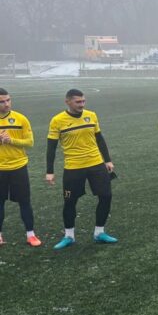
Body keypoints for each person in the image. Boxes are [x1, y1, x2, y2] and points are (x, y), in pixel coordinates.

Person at [46, 88, 117, 249]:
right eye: (78, 102)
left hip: (96, 163)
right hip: (73, 167)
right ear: (67, 102)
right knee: (70, 201)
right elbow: (51, 147)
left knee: (106, 196)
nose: (82, 104)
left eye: (83, 101)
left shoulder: (91, 115)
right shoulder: (57, 120)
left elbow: (99, 138)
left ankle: (99, 233)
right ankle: (69, 236)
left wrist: (107, 160)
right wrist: (50, 171)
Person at [0, 88, 41, 246]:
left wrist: (11, 140)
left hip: (19, 167)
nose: (6, 104)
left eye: (8, 100)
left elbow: (30, 143)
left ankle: (31, 234)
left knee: (25, 201)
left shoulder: (20, 119)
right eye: (2, 102)